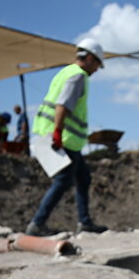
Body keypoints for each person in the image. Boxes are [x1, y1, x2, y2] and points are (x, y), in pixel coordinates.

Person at [25, 39, 109, 236]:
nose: (97, 70)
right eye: (97, 64)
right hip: (65, 138)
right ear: (89, 58)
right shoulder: (78, 76)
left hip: (65, 138)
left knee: (83, 178)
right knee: (63, 181)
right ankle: (37, 224)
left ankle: (85, 222)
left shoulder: (66, 71)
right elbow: (63, 105)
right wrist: (57, 132)